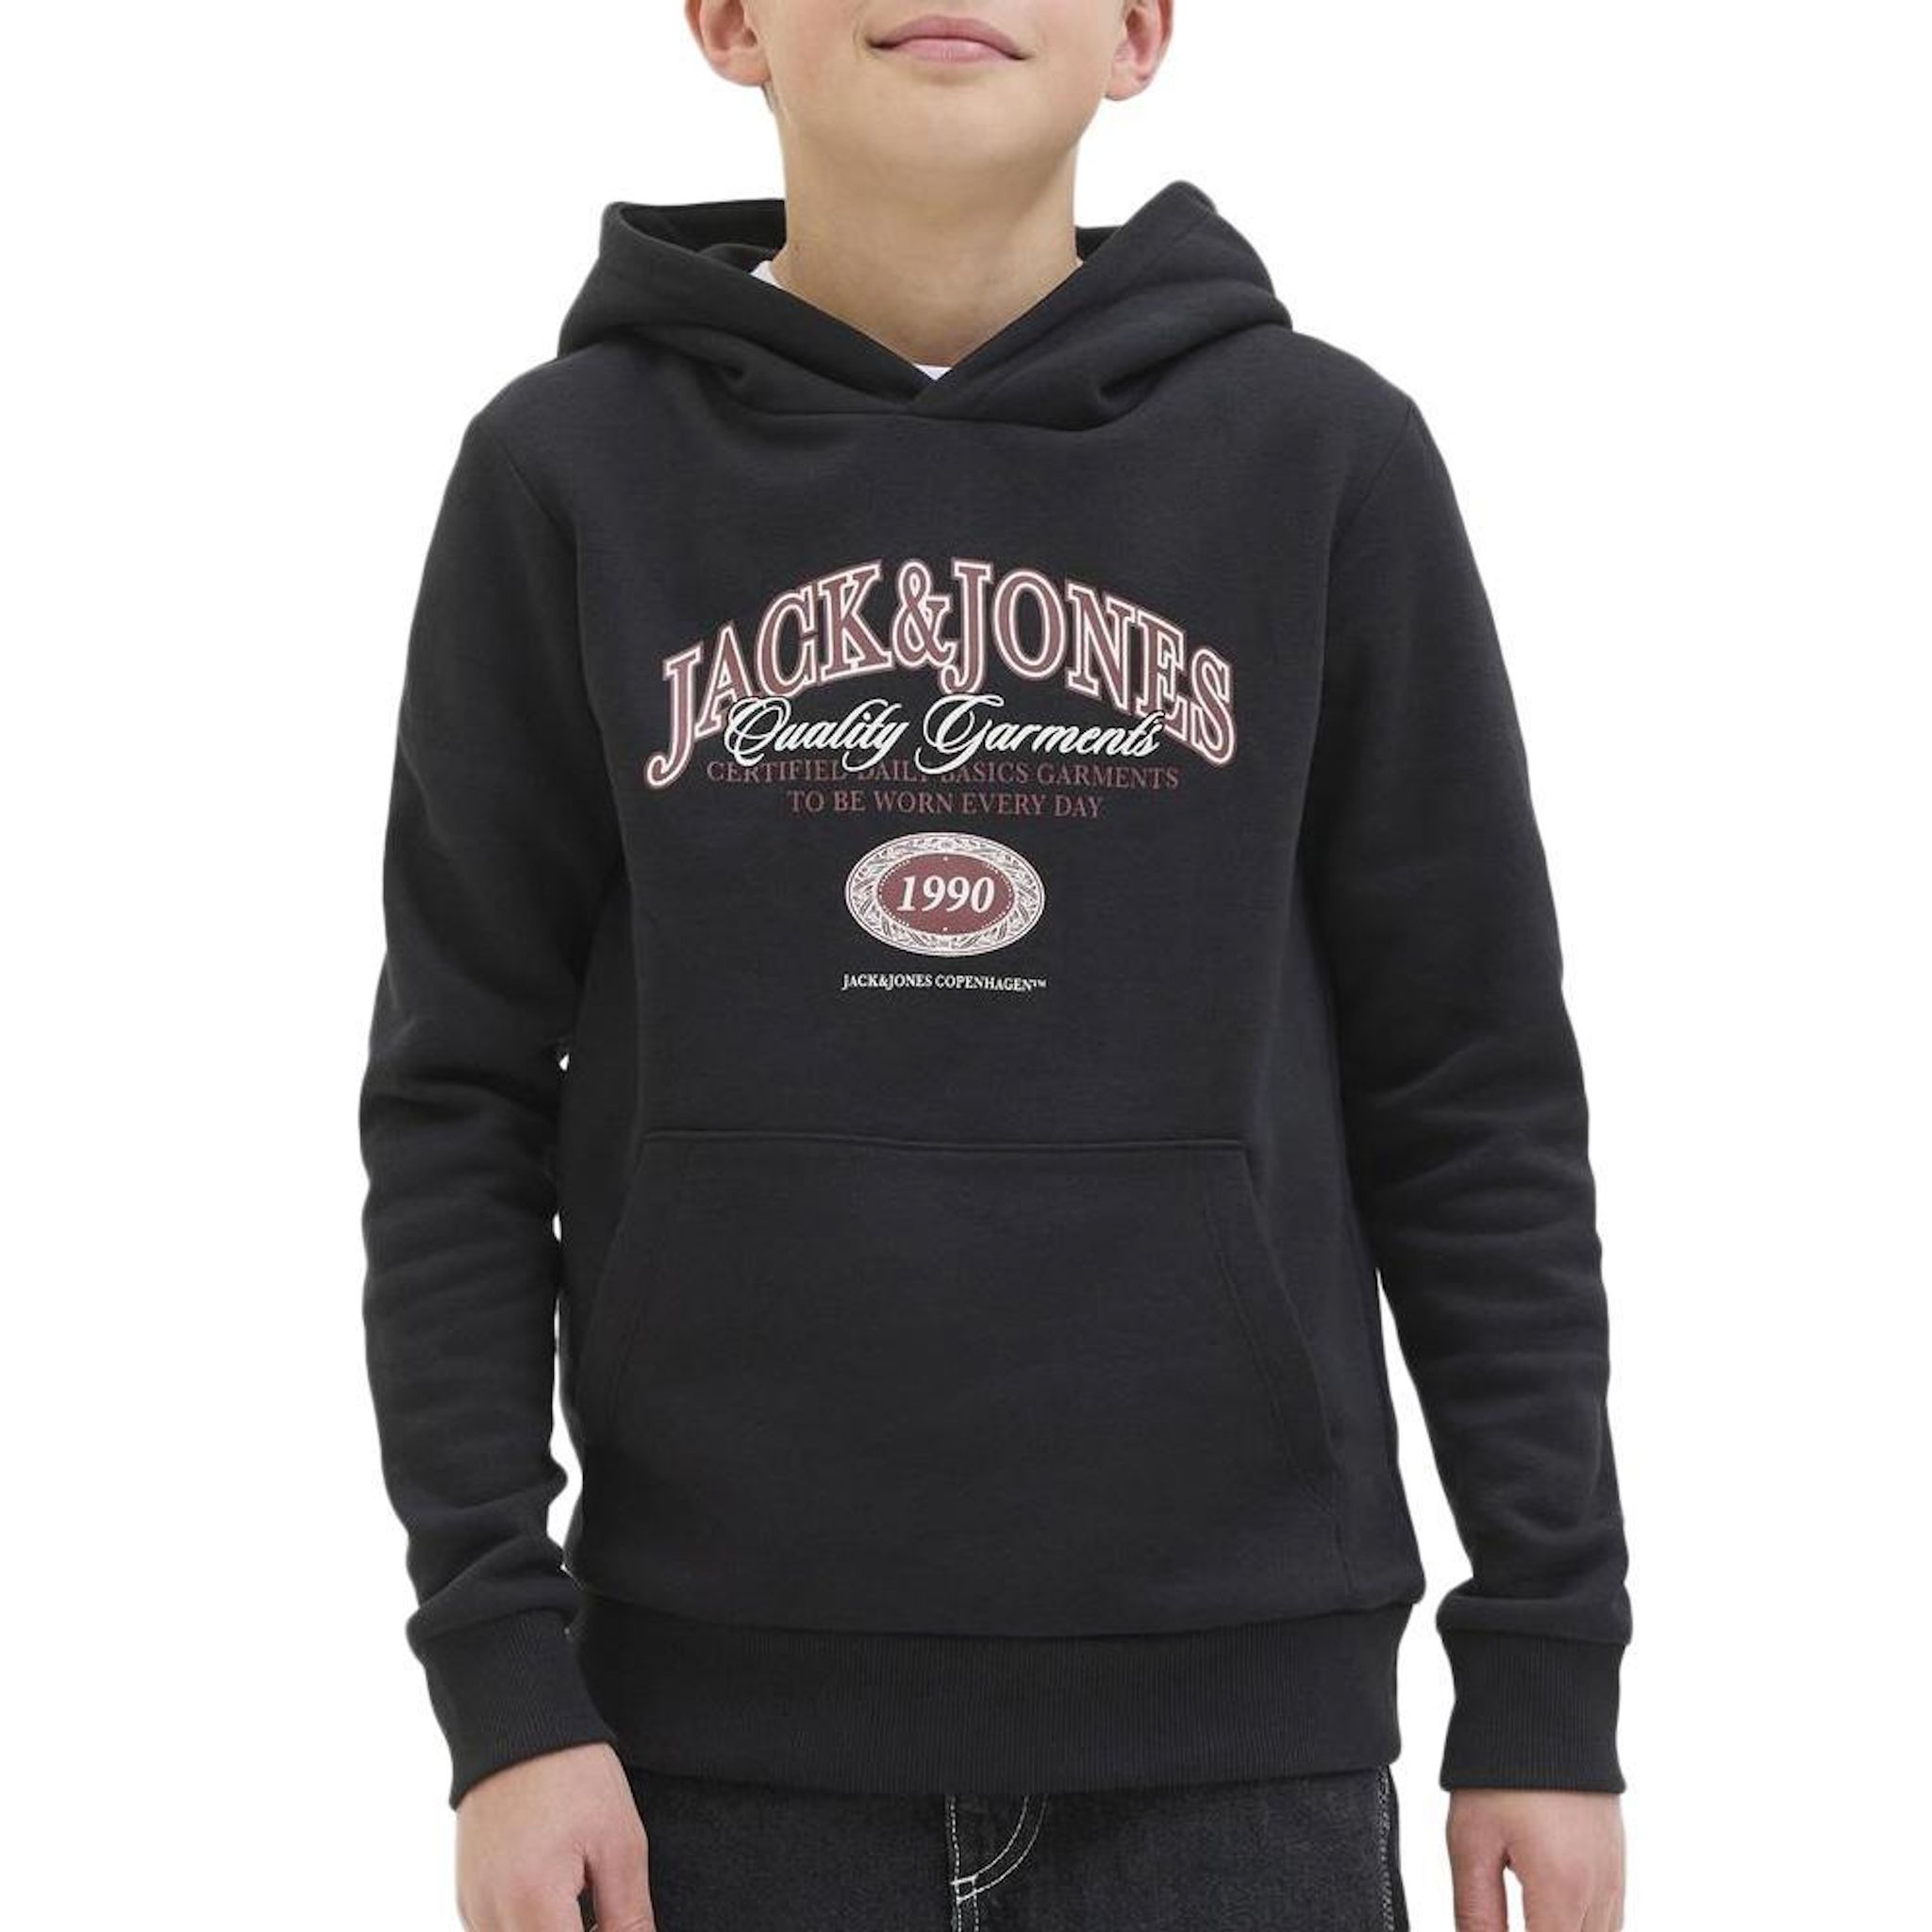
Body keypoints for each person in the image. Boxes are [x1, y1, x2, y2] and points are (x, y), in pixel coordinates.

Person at [357, 4, 1632, 1926]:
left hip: (1240, 1759)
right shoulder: (566, 473)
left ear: (1139, 30)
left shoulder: (1323, 459)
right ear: (727, 23)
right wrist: (502, 1686)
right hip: (697, 1759)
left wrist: (1543, 1662)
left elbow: (1471, 1092)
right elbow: (457, 1099)